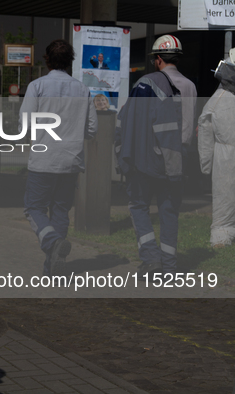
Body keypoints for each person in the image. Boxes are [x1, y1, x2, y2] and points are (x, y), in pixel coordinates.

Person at [21, 39, 97, 277]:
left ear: (47, 60)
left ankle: (52, 242)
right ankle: (53, 266)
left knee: (34, 208)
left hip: (43, 160)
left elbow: (25, 123)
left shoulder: (37, 86)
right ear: (70, 62)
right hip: (71, 160)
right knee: (61, 211)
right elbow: (92, 129)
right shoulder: (83, 90)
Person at [115, 36, 185, 279]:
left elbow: (123, 121)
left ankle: (151, 258)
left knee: (138, 207)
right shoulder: (178, 89)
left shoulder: (141, 85)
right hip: (167, 164)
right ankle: (169, 265)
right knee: (168, 212)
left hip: (141, 164)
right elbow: (171, 135)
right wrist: (176, 170)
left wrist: (123, 155)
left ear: (157, 60)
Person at [198, 49, 235, 247]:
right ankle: (222, 234)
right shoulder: (220, 98)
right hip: (225, 152)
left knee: (225, 196)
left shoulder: (218, 98)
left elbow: (205, 129)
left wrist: (206, 163)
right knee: (225, 195)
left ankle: (222, 235)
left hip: (225, 155)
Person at [150, 35, 197, 160]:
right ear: (178, 60)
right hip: (183, 150)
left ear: (159, 59)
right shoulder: (190, 86)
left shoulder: (152, 83)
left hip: (158, 150)